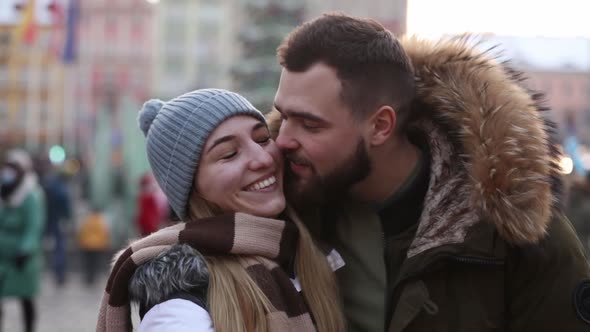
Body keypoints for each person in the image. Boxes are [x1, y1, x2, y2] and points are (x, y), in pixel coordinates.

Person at [269, 13, 590, 331]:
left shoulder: (513, 234)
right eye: (282, 117)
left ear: (380, 126)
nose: (282, 140)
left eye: (311, 125)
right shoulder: (284, 211)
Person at [96, 89, 345, 332]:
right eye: (229, 154)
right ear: (194, 189)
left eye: (262, 139)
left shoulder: (311, 253)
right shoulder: (182, 300)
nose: (264, 159)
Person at [0, 149, 45, 332]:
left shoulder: (31, 195)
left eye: (13, 169)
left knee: (26, 298)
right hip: (2, 257)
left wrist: (25, 250)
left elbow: (33, 227)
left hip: (23, 258)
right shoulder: (4, 193)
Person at [77, 206, 111, 286]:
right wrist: (105, 243)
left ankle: (88, 278)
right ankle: (93, 277)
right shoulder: (101, 221)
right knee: (95, 263)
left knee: (88, 263)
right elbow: (104, 233)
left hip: (87, 245)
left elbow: (82, 232)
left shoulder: (86, 220)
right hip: (98, 246)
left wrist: (81, 242)